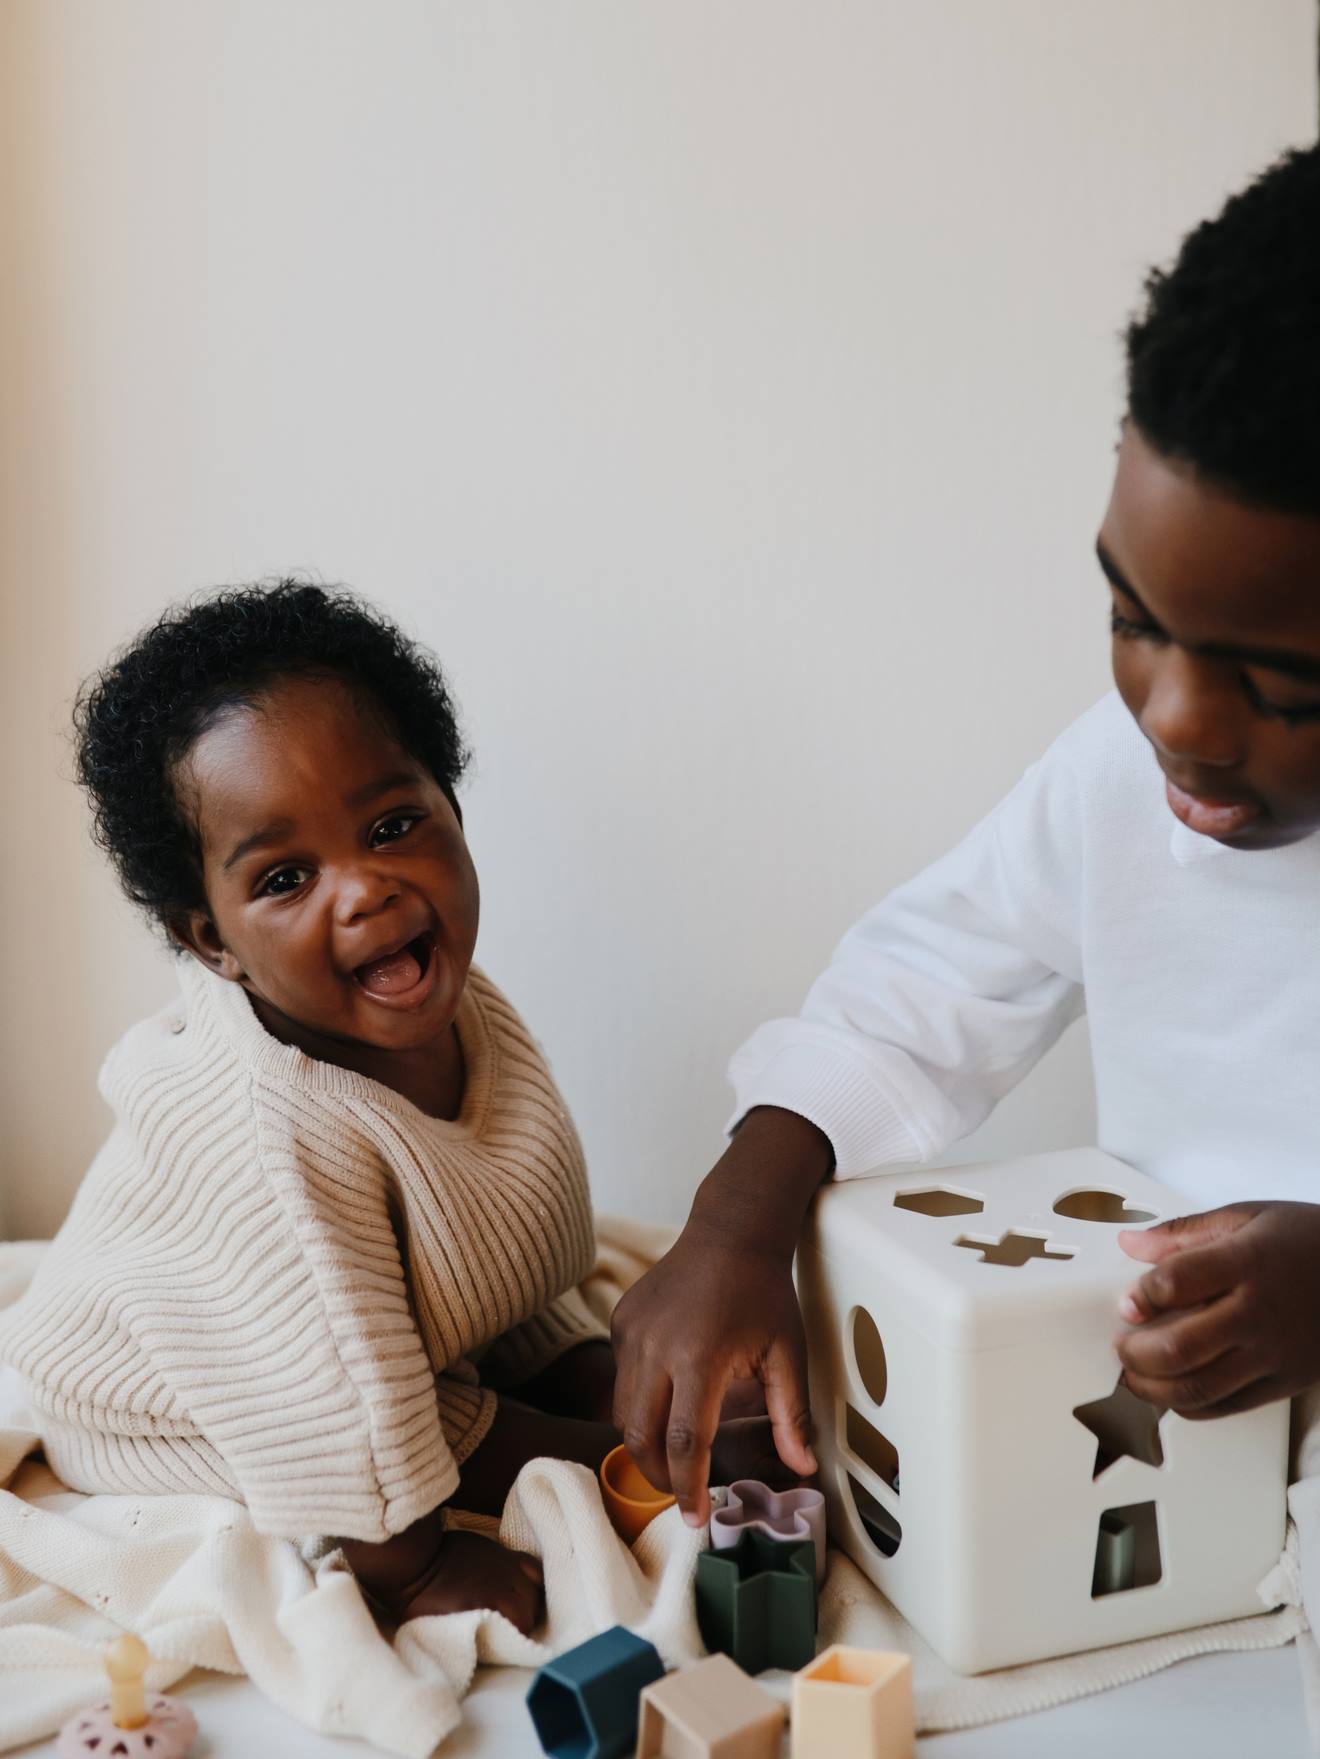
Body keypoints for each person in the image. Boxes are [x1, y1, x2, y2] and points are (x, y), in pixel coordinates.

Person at [612, 142, 1320, 1529]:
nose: (1174, 715)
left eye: (1283, 685)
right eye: (1131, 616)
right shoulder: (1118, 782)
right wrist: (736, 1224)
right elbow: (914, 996)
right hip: (1170, 1493)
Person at [0, 583, 771, 1631]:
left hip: (354, 1334)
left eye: (394, 823)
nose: (363, 889)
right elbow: (326, 1402)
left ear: (452, 804)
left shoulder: (430, 996)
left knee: (592, 1378)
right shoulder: (267, 1133)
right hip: (183, 1392)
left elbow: (489, 1210)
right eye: (284, 876)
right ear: (213, 941)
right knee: (572, 1451)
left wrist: (570, 1353)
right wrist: (413, 1567)